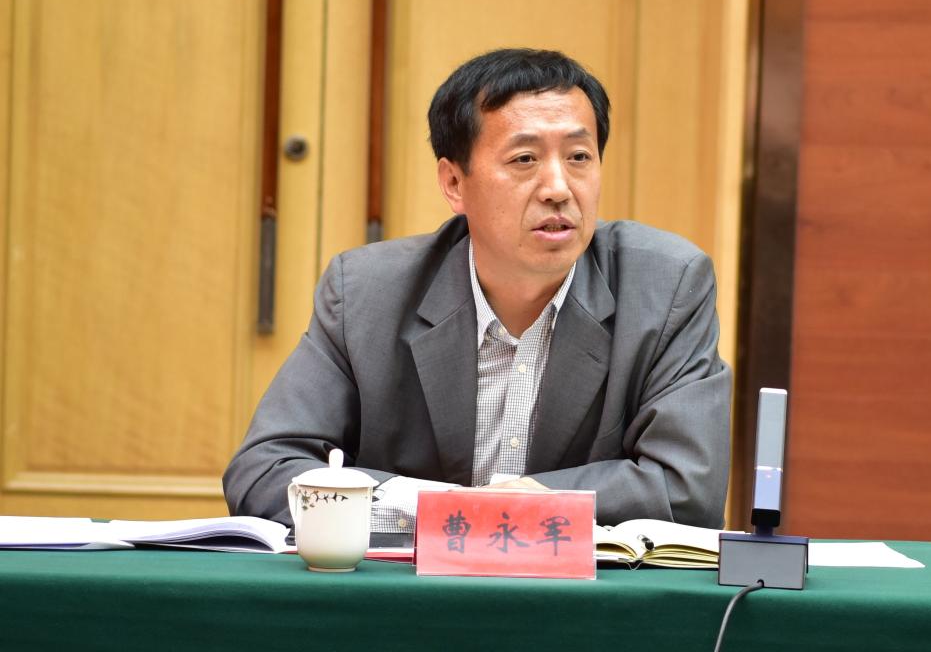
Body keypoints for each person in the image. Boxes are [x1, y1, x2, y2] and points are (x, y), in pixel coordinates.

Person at [223, 48, 731, 533]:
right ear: (453, 183)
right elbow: (266, 470)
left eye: (579, 156)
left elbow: (687, 490)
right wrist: (450, 513)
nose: (559, 188)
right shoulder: (366, 293)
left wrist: (528, 503)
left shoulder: (665, 287)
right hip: (414, 591)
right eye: (525, 159)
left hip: (579, 592)